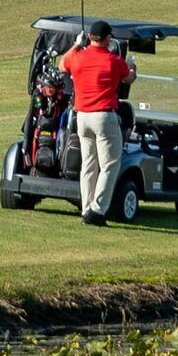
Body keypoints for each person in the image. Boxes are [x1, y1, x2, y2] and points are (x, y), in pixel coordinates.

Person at [61, 20, 134, 224]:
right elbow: (129, 79)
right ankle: (97, 210)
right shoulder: (113, 60)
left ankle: (86, 209)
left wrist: (76, 45)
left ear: (90, 38)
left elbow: (61, 64)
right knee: (110, 164)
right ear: (107, 38)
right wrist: (133, 67)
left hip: (82, 117)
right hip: (103, 116)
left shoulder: (77, 56)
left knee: (89, 164)